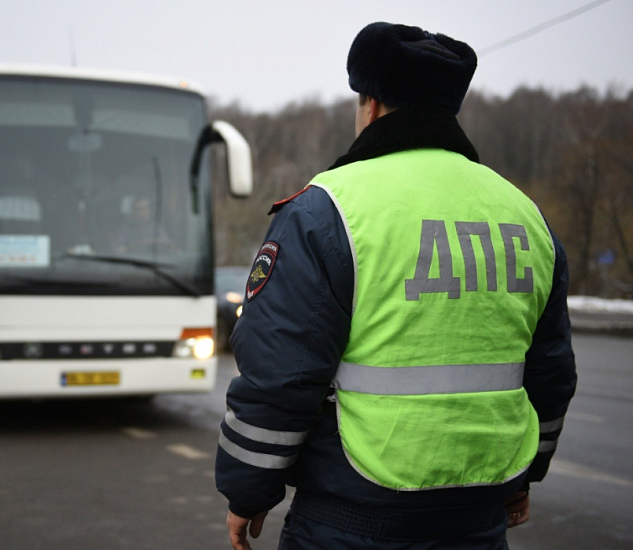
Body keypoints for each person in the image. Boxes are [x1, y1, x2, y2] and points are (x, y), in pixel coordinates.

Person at [215, 22, 577, 550]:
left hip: (354, 519)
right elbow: (550, 371)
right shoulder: (525, 216)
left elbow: (280, 374)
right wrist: (524, 477)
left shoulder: (328, 209)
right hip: (480, 519)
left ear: (371, 104)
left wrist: (247, 494)